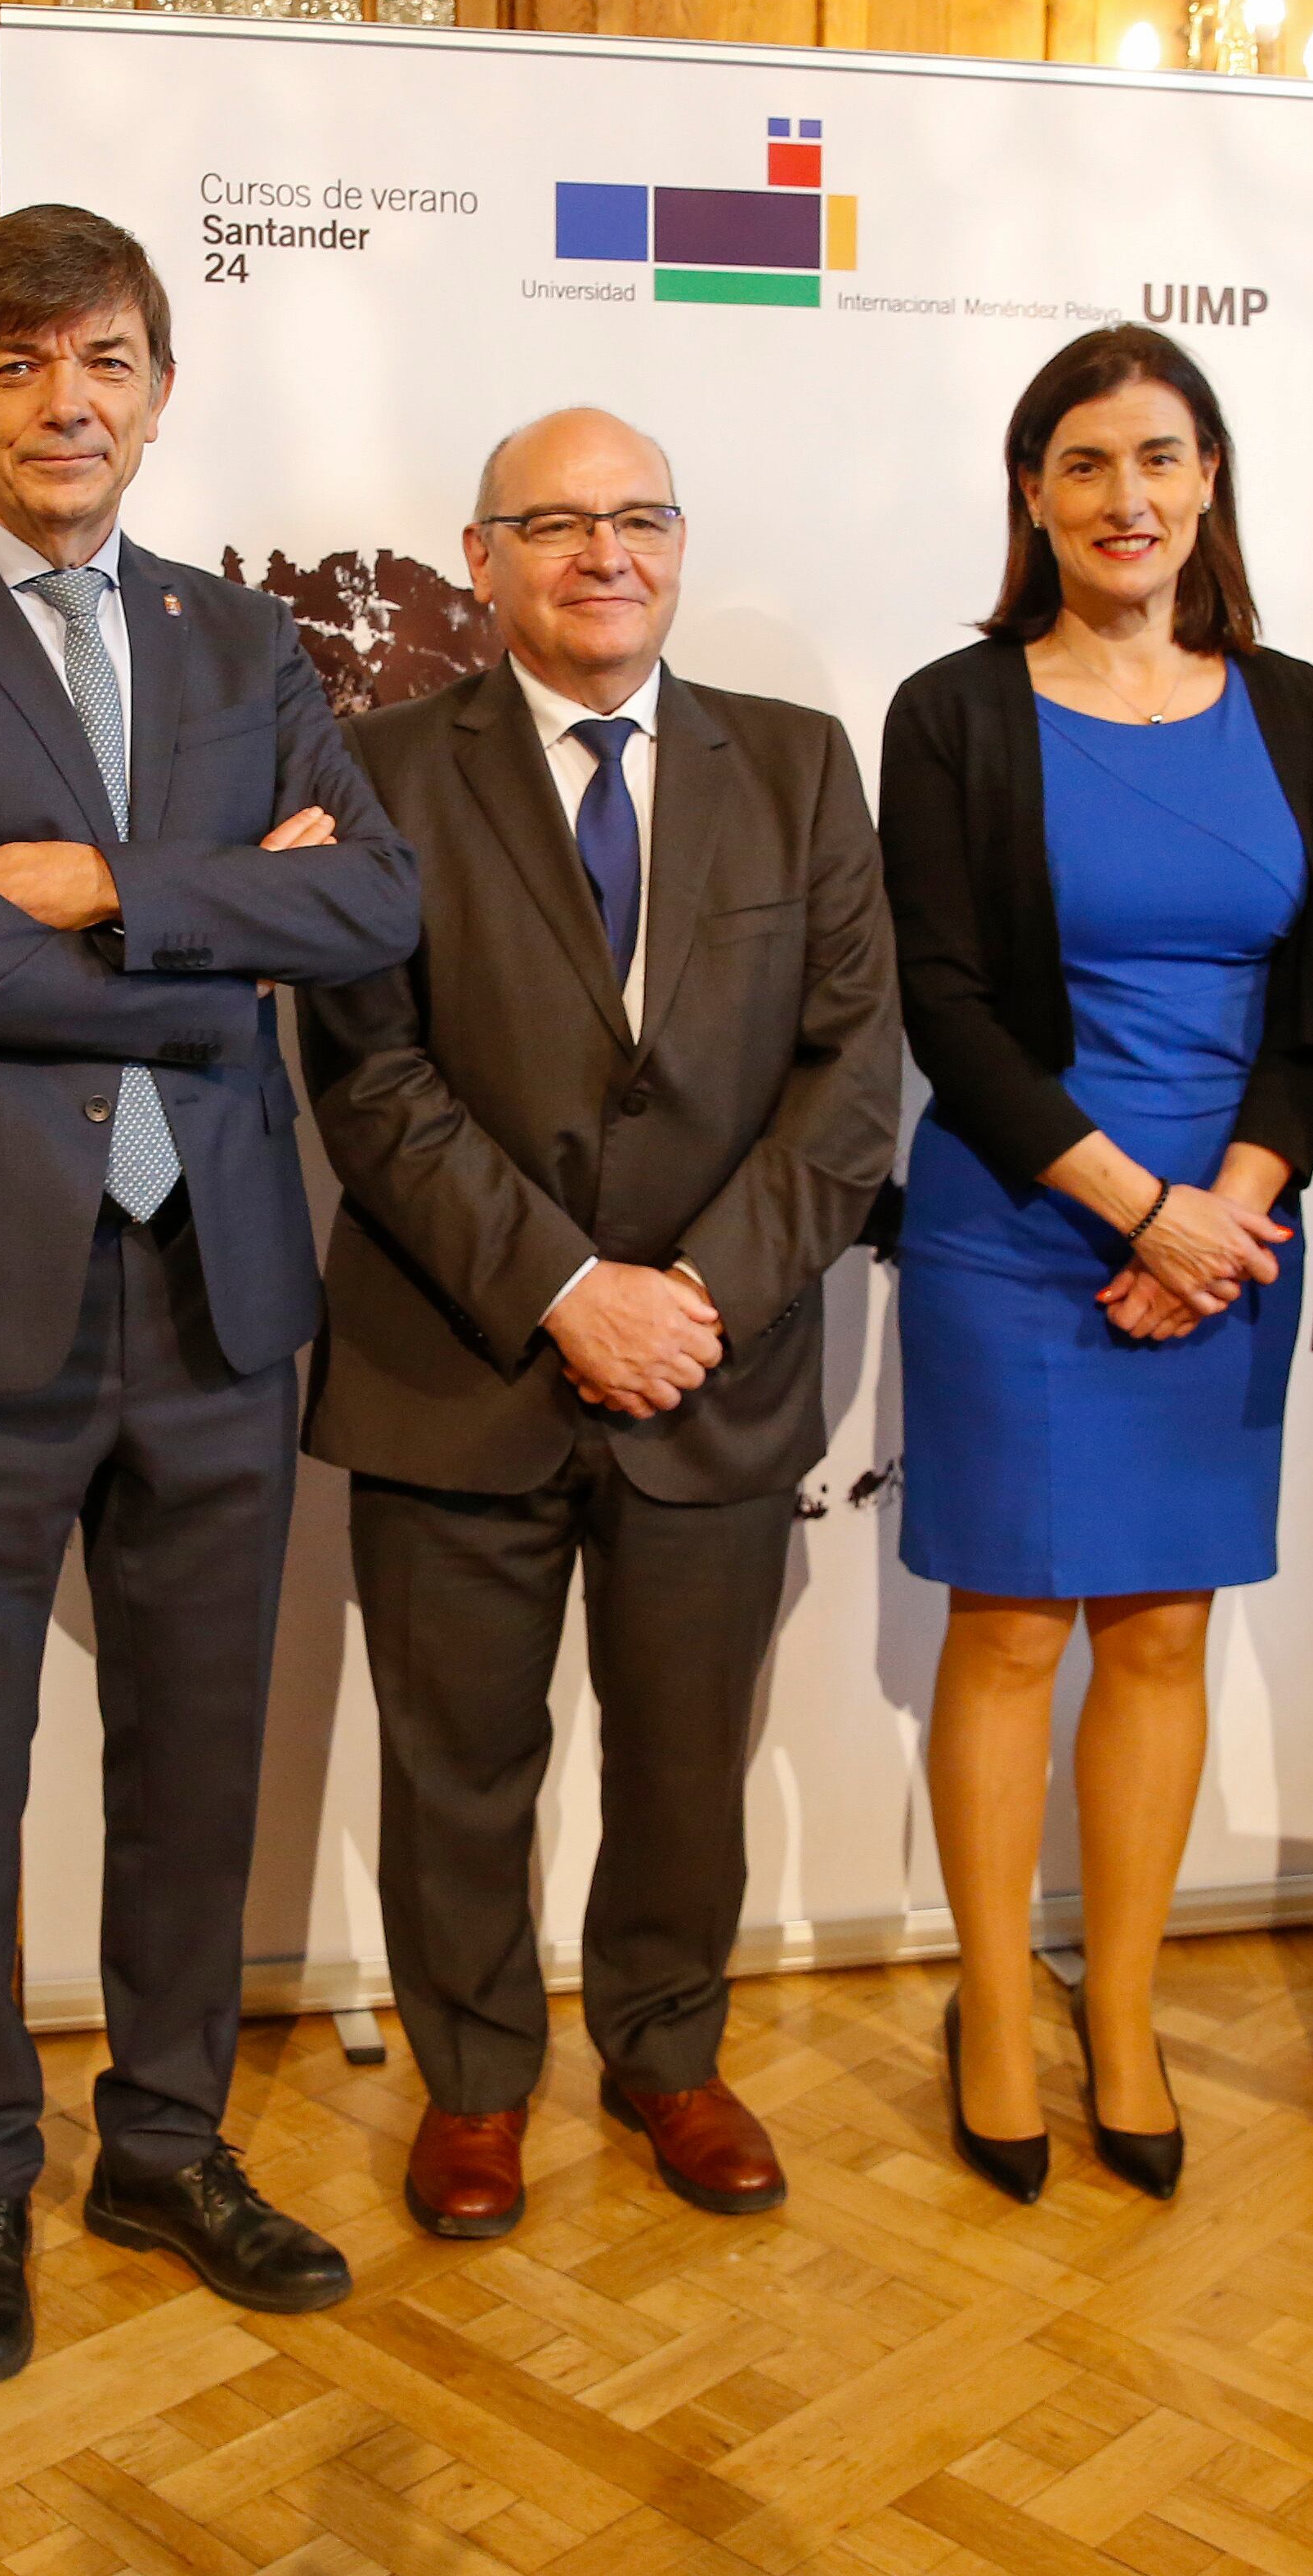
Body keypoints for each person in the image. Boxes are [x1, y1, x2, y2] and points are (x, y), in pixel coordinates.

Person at [0, 203, 419, 2384]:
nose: (69, 403)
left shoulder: (239, 647)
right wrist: (229, 935)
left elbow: (384, 908)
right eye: (21, 361)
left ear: (158, 388)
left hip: (218, 1277)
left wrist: (119, 895)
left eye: (108, 361)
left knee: (192, 1752)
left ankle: (160, 2140)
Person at [302, 409, 898, 2238]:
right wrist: (567, 1289)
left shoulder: (796, 767)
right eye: (553, 523)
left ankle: (666, 2049)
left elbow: (852, 1071)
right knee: (455, 1761)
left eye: (636, 515)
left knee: (682, 1755)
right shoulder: (384, 765)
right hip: (457, 1364)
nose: (602, 552)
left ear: (680, 541)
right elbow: (368, 1068)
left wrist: (692, 1296)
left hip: (712, 1375)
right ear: (480, 560)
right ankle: (475, 2085)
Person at [880, 325, 1313, 2206]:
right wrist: (1128, 1208)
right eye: (1083, 462)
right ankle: (998, 2005)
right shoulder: (955, 708)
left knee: (1165, 1625)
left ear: (1211, 479)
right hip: (1017, 1221)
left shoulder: (1302, 708)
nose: (1125, 495)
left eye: (1159, 456)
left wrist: (1221, 1208)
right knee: (1009, 1629)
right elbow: (945, 998)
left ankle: (1126, 2008)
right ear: (1032, 495)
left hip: (1236, 1225)